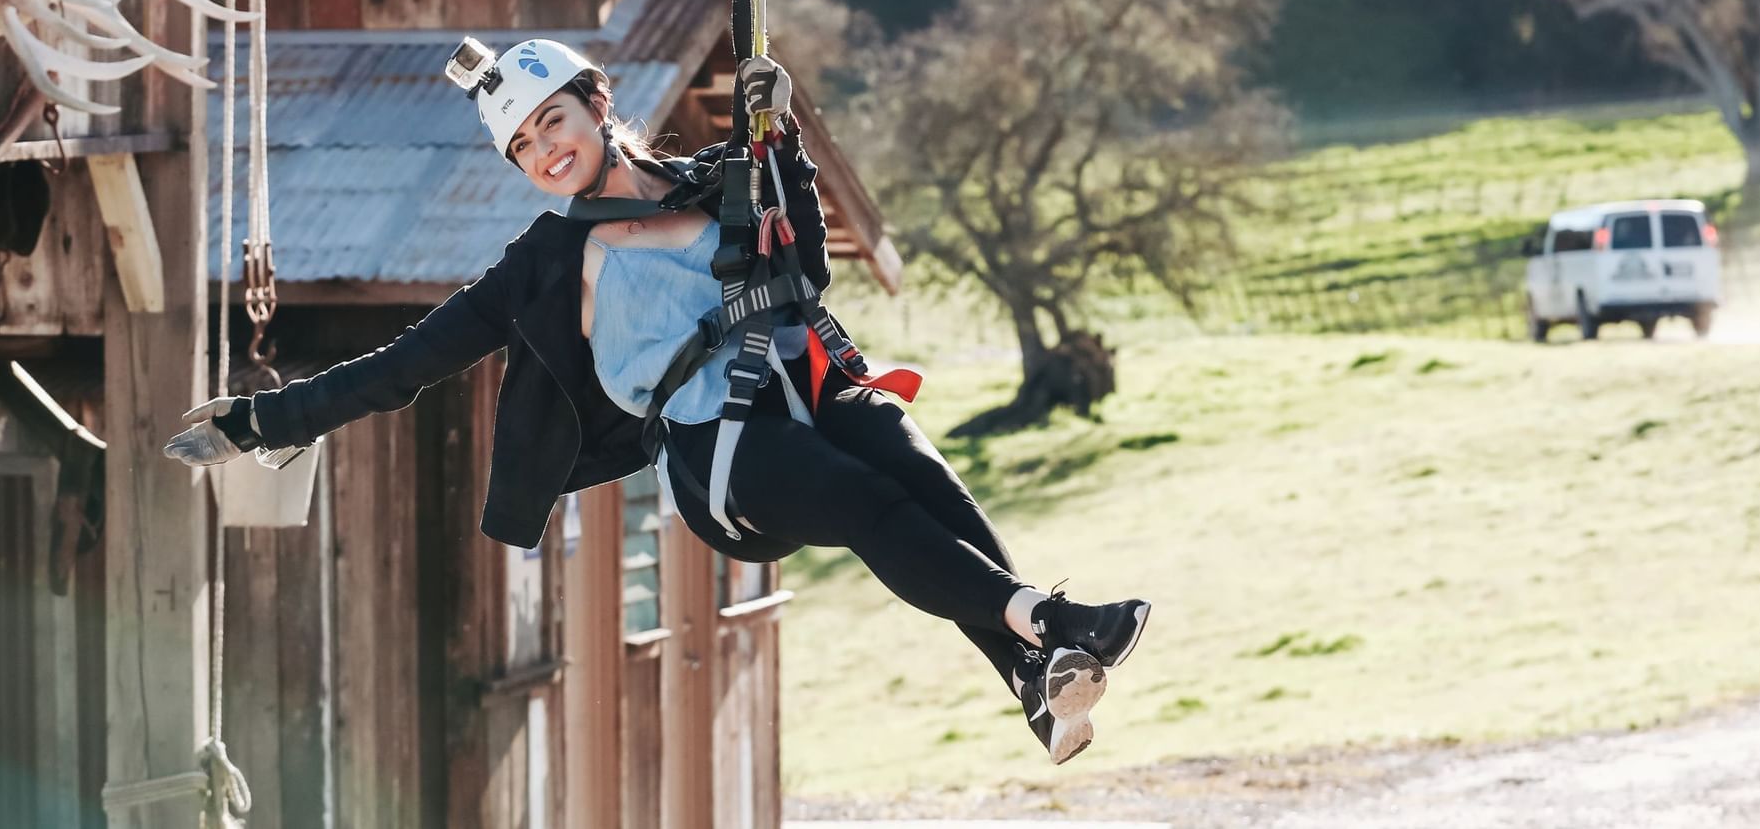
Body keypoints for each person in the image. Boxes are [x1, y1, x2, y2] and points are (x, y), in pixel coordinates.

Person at [166, 37, 1150, 764]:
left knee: (909, 458)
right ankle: (1052, 619)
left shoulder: (718, 181)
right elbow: (403, 365)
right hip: (718, 455)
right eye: (523, 147)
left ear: (598, 103)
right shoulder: (538, 269)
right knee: (862, 499)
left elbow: (804, 267)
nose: (545, 149)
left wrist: (779, 140)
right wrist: (265, 420)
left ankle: (1033, 679)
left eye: (553, 118)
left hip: (794, 383)